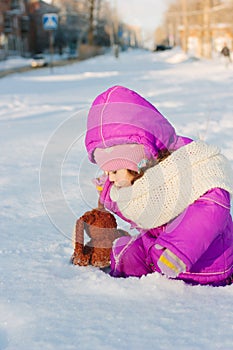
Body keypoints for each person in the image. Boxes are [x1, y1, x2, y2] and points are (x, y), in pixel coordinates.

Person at [85, 85, 233, 286]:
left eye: (114, 171)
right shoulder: (141, 178)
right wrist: (109, 195)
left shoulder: (192, 167)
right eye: (106, 172)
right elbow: (137, 207)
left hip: (200, 263)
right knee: (126, 254)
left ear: (139, 162)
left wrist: (178, 249)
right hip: (156, 251)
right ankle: (117, 272)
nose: (110, 178)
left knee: (138, 251)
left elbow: (210, 208)